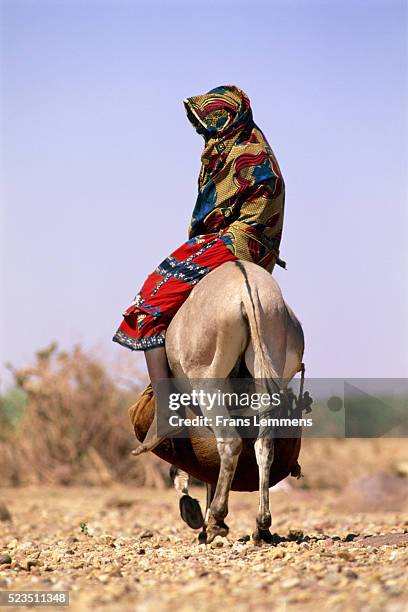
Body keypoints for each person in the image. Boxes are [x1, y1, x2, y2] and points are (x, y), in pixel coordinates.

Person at [113, 85, 286, 453]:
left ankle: (165, 408)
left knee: (149, 303)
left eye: (210, 125)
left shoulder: (244, 157)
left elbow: (216, 218)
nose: (205, 135)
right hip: (261, 250)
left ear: (226, 121)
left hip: (232, 242)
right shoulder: (255, 151)